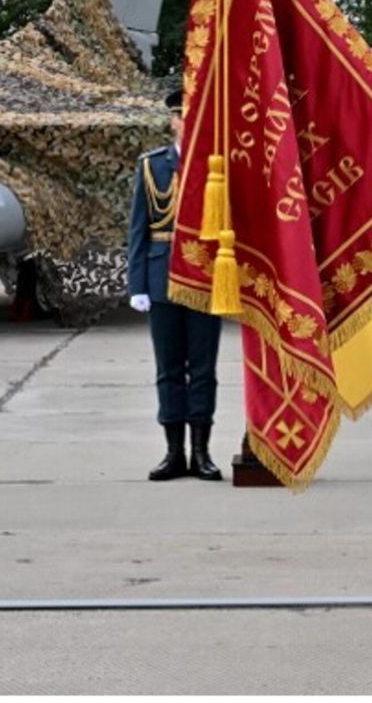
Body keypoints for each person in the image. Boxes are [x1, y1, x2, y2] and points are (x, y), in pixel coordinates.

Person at [126, 88, 224, 482]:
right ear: (172, 120)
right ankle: (174, 453)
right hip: (161, 275)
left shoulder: (216, 166)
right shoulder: (152, 166)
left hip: (204, 278)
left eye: (194, 115)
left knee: (202, 369)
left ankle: (202, 452)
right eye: (180, 115)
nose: (186, 122)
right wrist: (137, 284)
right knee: (168, 368)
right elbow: (138, 228)